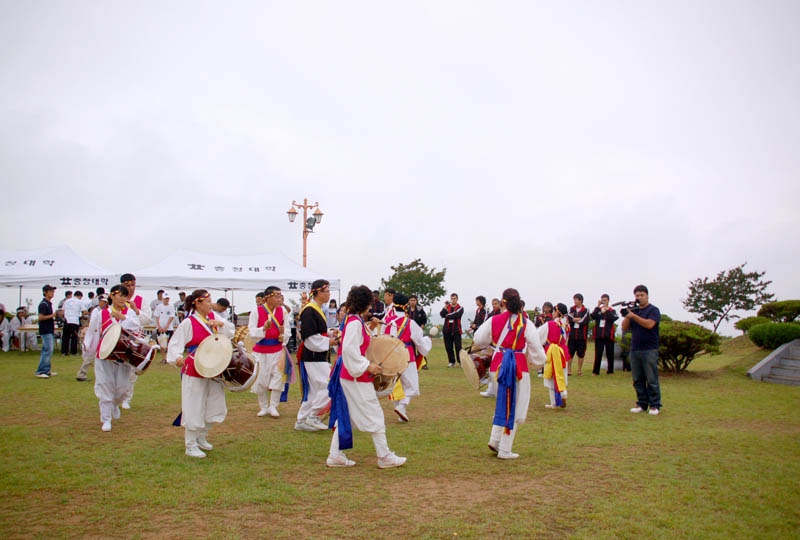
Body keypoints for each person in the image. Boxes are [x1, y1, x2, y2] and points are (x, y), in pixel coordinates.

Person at [326, 285, 406, 469]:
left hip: (351, 376)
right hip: (355, 376)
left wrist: (370, 327)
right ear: (365, 303)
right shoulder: (354, 322)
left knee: (350, 417)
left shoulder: (354, 320)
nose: (371, 306)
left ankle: (335, 455)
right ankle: (384, 456)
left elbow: (356, 344)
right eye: (369, 303)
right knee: (375, 414)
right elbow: (348, 349)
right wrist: (367, 365)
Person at [473, 288, 546, 459]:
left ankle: (495, 439)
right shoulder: (526, 323)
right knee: (514, 405)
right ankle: (505, 449)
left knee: (503, 402)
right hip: (517, 367)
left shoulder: (494, 320)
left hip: (497, 365)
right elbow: (537, 349)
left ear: (503, 302)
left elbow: (479, 339)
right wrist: (539, 362)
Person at [167, 289, 235, 456]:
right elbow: (176, 342)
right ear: (197, 303)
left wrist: (220, 325)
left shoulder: (213, 317)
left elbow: (230, 331)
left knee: (213, 402)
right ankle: (190, 444)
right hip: (195, 366)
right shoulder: (189, 322)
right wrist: (176, 357)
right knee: (194, 404)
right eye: (207, 301)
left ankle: (202, 436)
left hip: (214, 367)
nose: (211, 304)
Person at [88, 286, 137, 431]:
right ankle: (106, 419)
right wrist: (89, 350)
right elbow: (92, 332)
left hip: (122, 357)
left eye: (125, 296)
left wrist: (123, 318)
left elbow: (136, 327)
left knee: (122, 387)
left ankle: (115, 404)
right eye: (119, 295)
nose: (122, 298)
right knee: (105, 384)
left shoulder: (129, 313)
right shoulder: (101, 313)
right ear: (112, 296)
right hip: (104, 355)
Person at [295, 280, 339, 432]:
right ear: (318, 292)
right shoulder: (309, 310)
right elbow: (310, 338)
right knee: (330, 384)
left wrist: (330, 332)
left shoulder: (317, 309)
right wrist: (330, 341)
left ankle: (301, 421)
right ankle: (313, 415)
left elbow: (318, 331)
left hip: (316, 355)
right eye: (326, 291)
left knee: (314, 391)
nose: (329, 294)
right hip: (313, 355)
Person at [383, 292, 432, 422]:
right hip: (407, 356)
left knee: (394, 385)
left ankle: (401, 411)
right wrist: (427, 342)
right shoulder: (409, 323)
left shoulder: (386, 322)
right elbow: (419, 341)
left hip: (390, 357)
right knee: (412, 386)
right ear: (405, 306)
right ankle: (402, 405)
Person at [249, 286, 291, 417]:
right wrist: (263, 328)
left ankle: (273, 406)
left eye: (280, 296)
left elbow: (288, 330)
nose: (280, 299)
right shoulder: (256, 311)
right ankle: (263, 406)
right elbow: (251, 331)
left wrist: (283, 337)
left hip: (277, 350)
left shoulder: (282, 312)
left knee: (277, 377)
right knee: (261, 378)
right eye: (277, 296)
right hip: (261, 350)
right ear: (268, 297)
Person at [622, 285, 662, 416]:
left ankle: (655, 405)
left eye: (641, 295)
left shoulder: (653, 310)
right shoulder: (634, 311)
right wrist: (628, 315)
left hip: (650, 349)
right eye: (637, 296)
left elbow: (649, 324)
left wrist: (633, 316)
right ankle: (641, 403)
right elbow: (624, 327)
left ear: (647, 295)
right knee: (637, 379)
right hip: (635, 349)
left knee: (651, 378)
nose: (639, 298)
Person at [118, 273, 152, 410]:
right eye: (127, 285)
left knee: (132, 371)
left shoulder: (140, 300)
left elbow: (147, 320)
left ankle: (127, 398)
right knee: (118, 369)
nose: (131, 288)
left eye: (133, 285)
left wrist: (136, 310)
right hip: (119, 338)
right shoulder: (117, 299)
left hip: (135, 339)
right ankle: (116, 397)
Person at [538, 308, 569, 408]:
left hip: (552, 351)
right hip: (562, 351)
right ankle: (563, 392)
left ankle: (554, 402)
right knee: (561, 374)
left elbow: (538, 336)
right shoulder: (566, 325)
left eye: (555, 311)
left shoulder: (550, 324)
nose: (553, 313)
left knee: (550, 375)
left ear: (558, 313)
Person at [77, 294, 108, 381]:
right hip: (94, 336)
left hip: (100, 335)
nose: (105, 303)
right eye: (104, 302)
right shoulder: (96, 311)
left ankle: (102, 374)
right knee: (91, 355)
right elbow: (93, 325)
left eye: (106, 302)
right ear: (100, 301)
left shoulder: (104, 311)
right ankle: (81, 374)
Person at [591, 294, 619, 375]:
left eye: (605, 300)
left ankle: (610, 370)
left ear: (608, 300)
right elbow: (593, 316)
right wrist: (598, 306)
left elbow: (614, 318)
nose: (604, 302)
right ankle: (596, 371)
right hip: (599, 335)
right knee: (598, 353)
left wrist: (607, 310)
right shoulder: (598, 310)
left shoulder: (612, 310)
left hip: (609, 335)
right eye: (602, 300)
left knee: (610, 353)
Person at [34, 286, 57, 377]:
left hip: (49, 329)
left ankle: (46, 370)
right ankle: (41, 371)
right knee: (47, 350)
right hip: (45, 330)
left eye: (53, 291)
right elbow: (40, 317)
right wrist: (52, 315)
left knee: (48, 350)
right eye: (50, 291)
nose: (52, 293)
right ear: (45, 292)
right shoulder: (43, 304)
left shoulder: (48, 303)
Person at [567, 293, 590, 376]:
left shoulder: (586, 310)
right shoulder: (571, 309)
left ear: (580, 300)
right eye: (574, 299)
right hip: (572, 335)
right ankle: (569, 370)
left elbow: (584, 320)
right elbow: (569, 318)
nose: (575, 301)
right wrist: (575, 319)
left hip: (581, 336)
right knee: (570, 353)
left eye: (576, 299)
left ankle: (579, 370)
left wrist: (575, 320)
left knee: (581, 353)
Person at [440, 293, 464, 367]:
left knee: (458, 347)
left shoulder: (460, 307)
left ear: (457, 299)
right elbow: (441, 314)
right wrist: (445, 307)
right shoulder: (448, 307)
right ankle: (451, 361)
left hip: (456, 330)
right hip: (447, 330)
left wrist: (447, 315)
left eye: (455, 298)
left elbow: (456, 314)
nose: (453, 300)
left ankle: (460, 362)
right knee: (448, 347)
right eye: (452, 298)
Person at [62, 291, 83, 356]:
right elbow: (84, 311)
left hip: (66, 320)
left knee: (65, 337)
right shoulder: (79, 301)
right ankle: (73, 352)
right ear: (80, 296)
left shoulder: (66, 301)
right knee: (74, 337)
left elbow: (62, 311)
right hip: (74, 321)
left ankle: (64, 352)